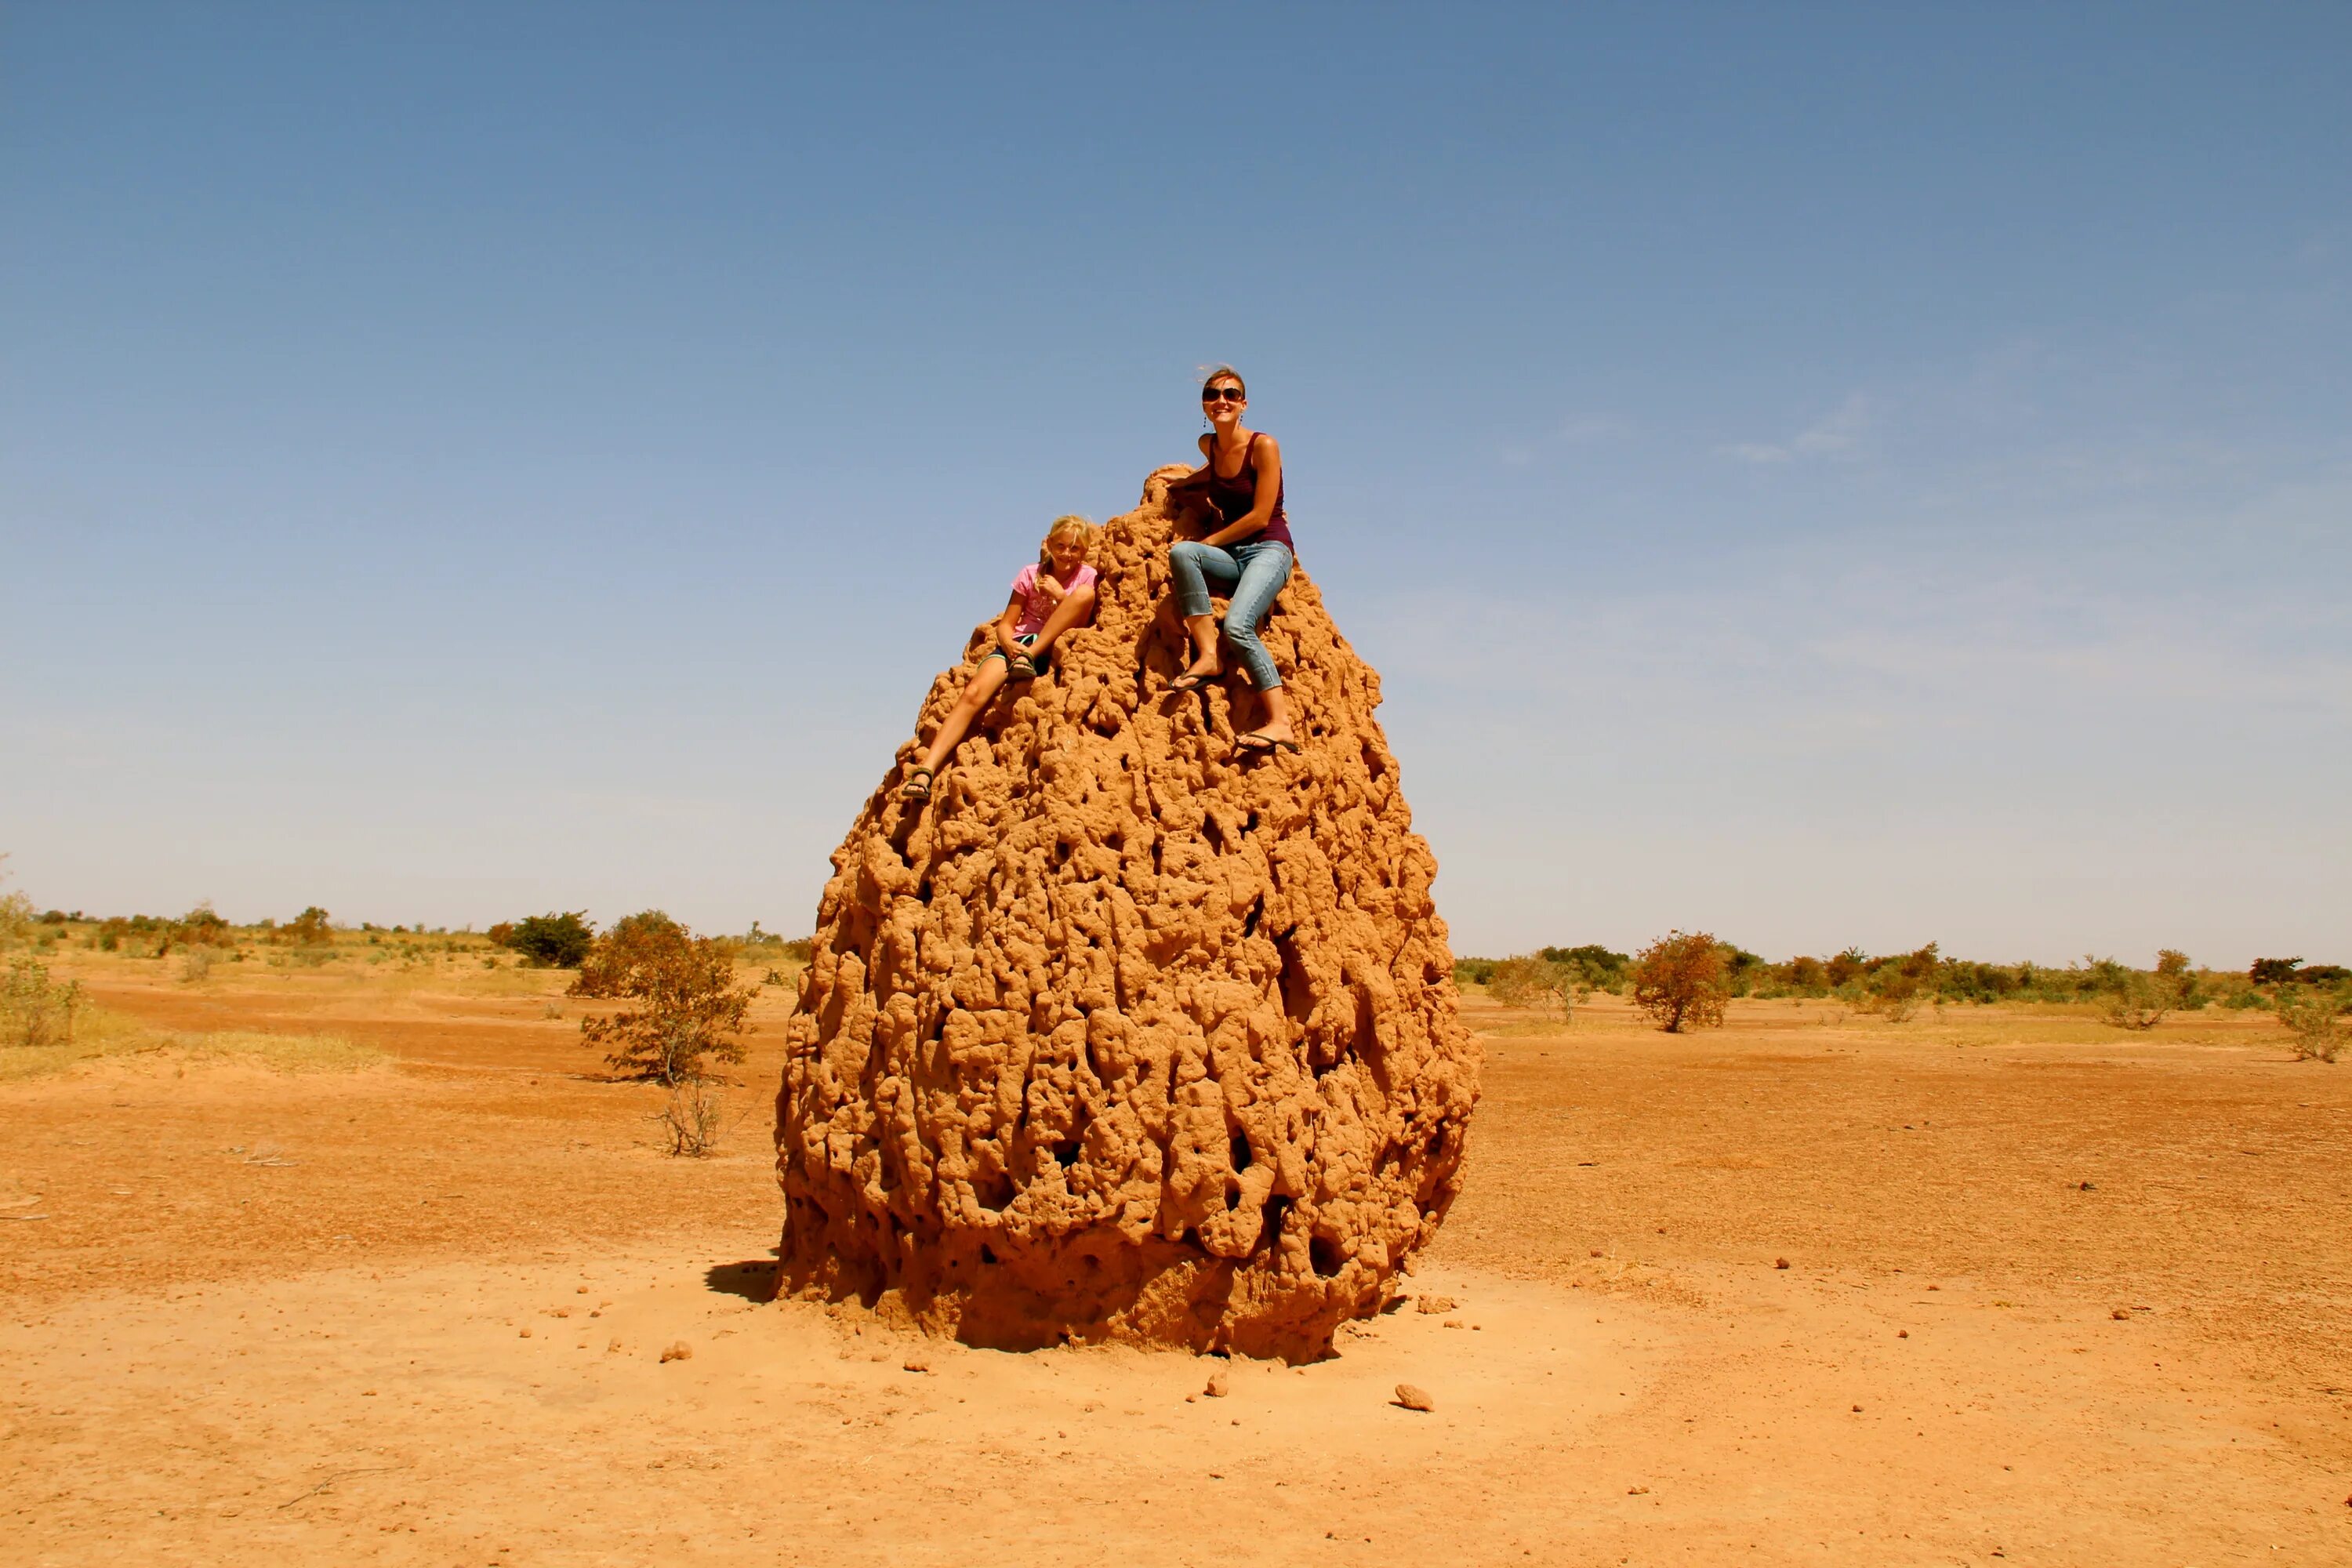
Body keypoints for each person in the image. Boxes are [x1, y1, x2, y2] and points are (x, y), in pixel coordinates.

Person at [901, 516, 1098, 802]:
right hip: (1018, 646)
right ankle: (926, 770)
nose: (1067, 554)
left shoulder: (1086, 577)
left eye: (1075, 549)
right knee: (973, 693)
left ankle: (1029, 657)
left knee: (1082, 594)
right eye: (1062, 546)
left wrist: (1059, 595)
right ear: (1050, 544)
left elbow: (1085, 616)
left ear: (1084, 551)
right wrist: (1007, 643)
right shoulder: (1030, 575)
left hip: (1053, 647)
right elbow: (1007, 623)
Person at [1164, 365, 1299, 753]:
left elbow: (1260, 515)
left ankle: (1280, 722)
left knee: (1239, 625)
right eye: (1212, 394)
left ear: (1244, 403)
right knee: (1182, 552)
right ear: (1204, 404)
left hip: (1269, 550)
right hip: (1233, 556)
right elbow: (1212, 476)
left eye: (1230, 394)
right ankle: (1208, 656)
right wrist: (1177, 487)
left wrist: (1213, 540)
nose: (1221, 400)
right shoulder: (1209, 445)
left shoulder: (1264, 446)